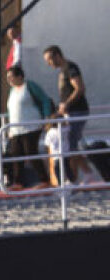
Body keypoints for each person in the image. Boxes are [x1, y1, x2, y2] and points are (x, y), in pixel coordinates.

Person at [43, 45, 94, 183]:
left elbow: (79, 88)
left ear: (57, 56)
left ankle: (78, 177)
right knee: (70, 145)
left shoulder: (70, 68)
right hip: (70, 111)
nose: (49, 64)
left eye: (49, 60)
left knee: (70, 145)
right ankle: (82, 174)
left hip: (77, 111)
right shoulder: (63, 71)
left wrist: (67, 104)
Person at [3, 65, 51, 189]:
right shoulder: (12, 91)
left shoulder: (29, 86)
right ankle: (18, 182)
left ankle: (44, 180)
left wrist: (47, 117)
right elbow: (12, 110)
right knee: (16, 154)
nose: (9, 80)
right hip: (16, 129)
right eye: (8, 77)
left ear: (19, 76)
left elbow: (45, 100)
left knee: (31, 152)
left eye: (11, 77)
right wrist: (9, 127)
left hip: (31, 126)